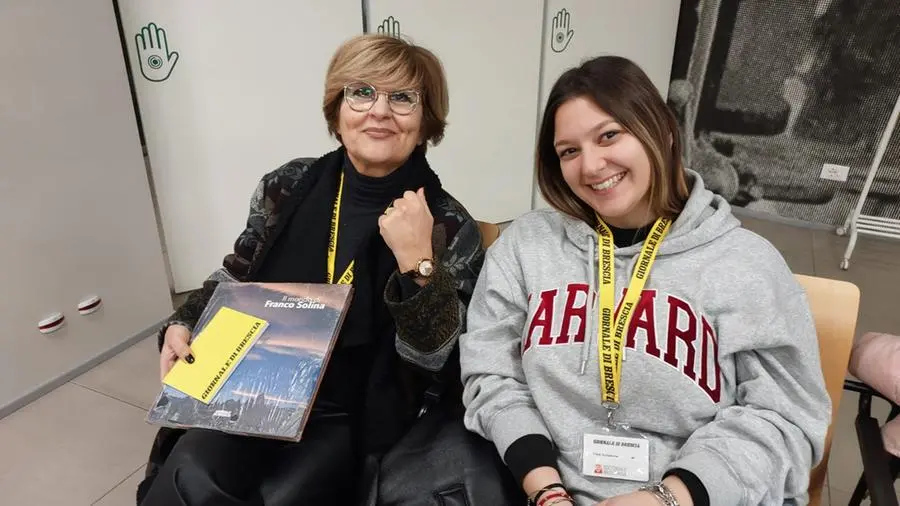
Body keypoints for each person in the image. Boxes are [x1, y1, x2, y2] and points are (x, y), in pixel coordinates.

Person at [458, 55, 832, 506]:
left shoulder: (747, 264)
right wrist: (545, 489)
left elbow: (783, 416)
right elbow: (492, 375)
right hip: (538, 487)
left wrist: (670, 497)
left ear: (662, 130)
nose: (592, 166)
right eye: (569, 151)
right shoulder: (525, 246)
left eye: (609, 136)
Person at [136, 34, 487, 505]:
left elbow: (437, 359)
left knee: (286, 496)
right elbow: (235, 277)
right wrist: (183, 322)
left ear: (425, 123)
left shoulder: (446, 222)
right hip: (257, 385)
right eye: (361, 92)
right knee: (191, 473)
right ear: (337, 111)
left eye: (402, 98)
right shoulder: (287, 185)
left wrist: (417, 262)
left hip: (351, 411)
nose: (379, 110)